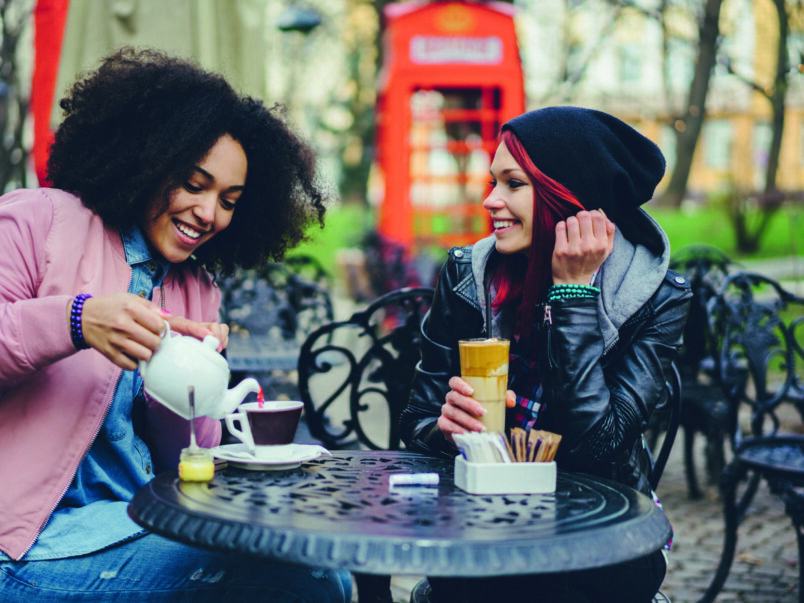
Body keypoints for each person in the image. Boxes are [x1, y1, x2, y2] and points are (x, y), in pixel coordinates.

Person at [0, 48, 351, 602]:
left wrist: (191, 381)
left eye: (229, 200)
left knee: (318, 566)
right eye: (193, 183)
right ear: (147, 161)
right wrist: (77, 319)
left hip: (137, 519)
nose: (209, 213)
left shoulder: (197, 288)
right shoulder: (36, 220)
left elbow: (189, 457)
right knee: (302, 581)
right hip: (26, 542)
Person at [399, 106, 692, 603]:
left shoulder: (657, 297)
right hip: (484, 524)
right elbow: (416, 421)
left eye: (513, 184)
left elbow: (596, 448)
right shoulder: (468, 276)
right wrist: (443, 430)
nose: (490, 200)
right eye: (493, 182)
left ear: (570, 197)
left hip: (602, 540)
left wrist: (573, 293)